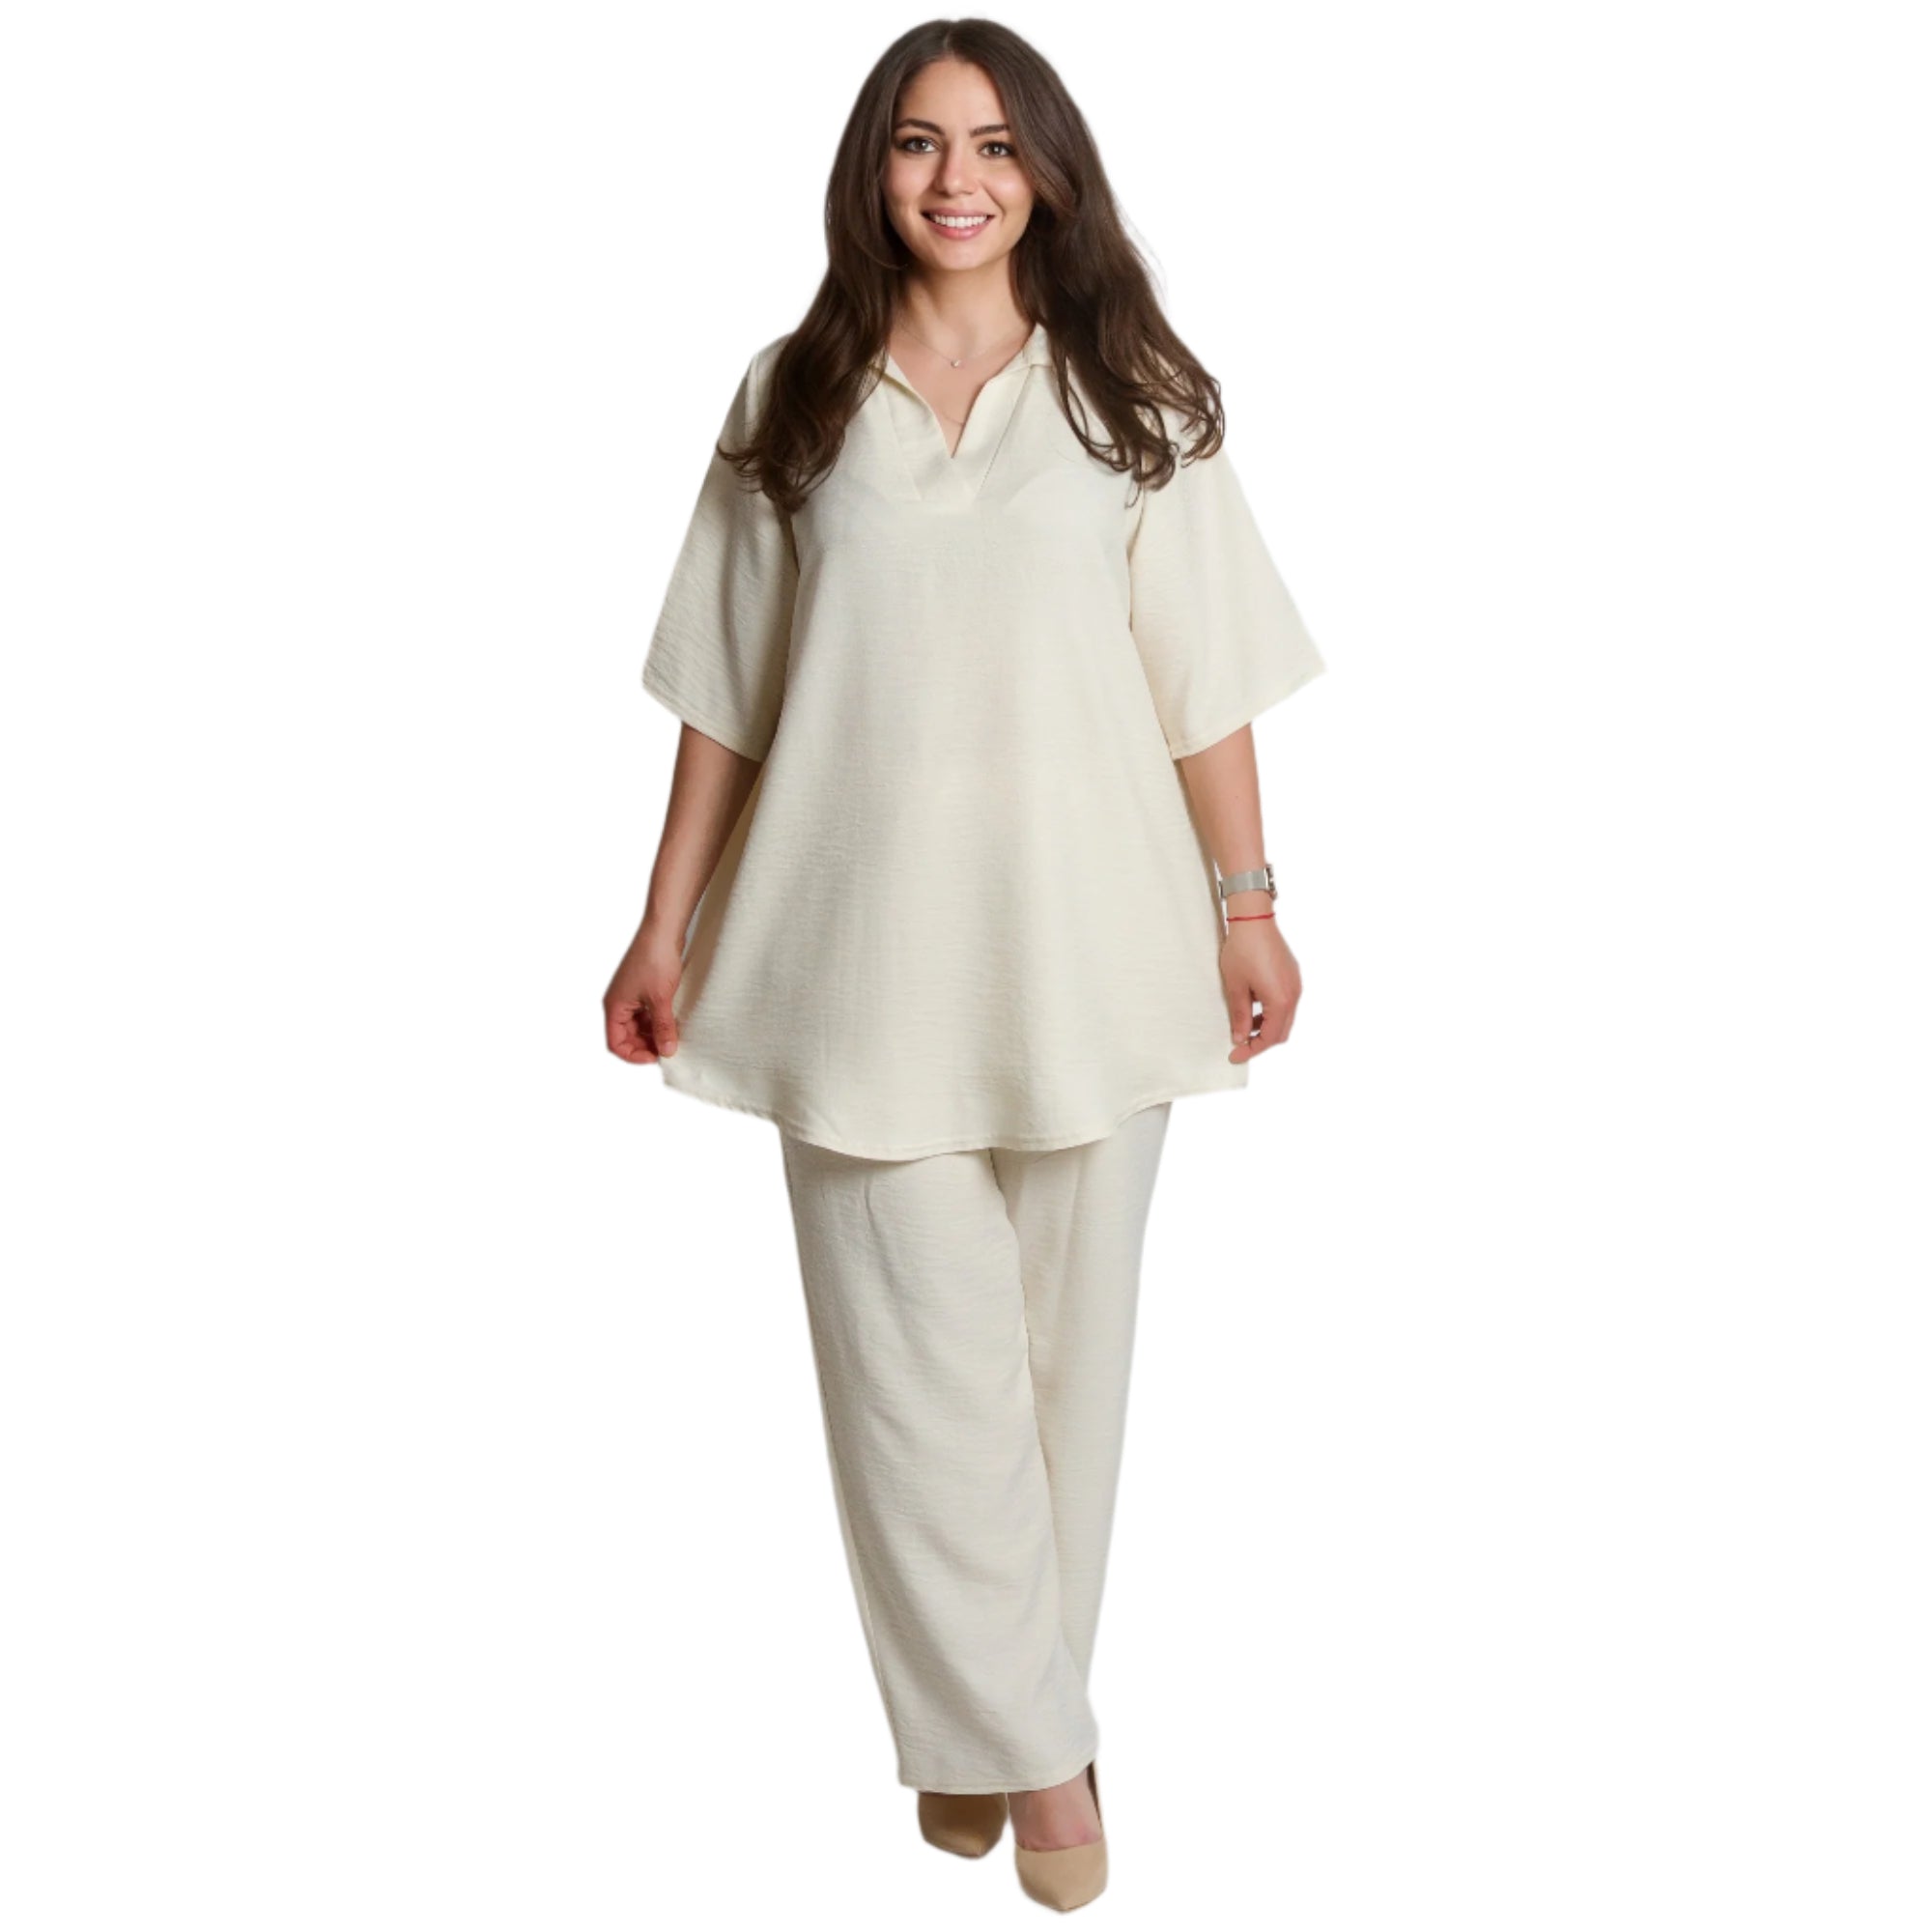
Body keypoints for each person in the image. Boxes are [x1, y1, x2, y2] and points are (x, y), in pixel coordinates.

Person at [603, 19, 1325, 1912]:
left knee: (1060, 1379)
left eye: (995, 145)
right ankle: (1044, 1757)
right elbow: (725, 690)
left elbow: (1205, 676)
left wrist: (1248, 900)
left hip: (1100, 945)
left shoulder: (1132, 393)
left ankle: (975, 1735)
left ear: (1049, 174)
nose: (956, 179)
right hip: (848, 957)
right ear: (873, 171)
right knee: (916, 1389)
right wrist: (663, 918)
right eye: (919, 144)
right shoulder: (792, 395)